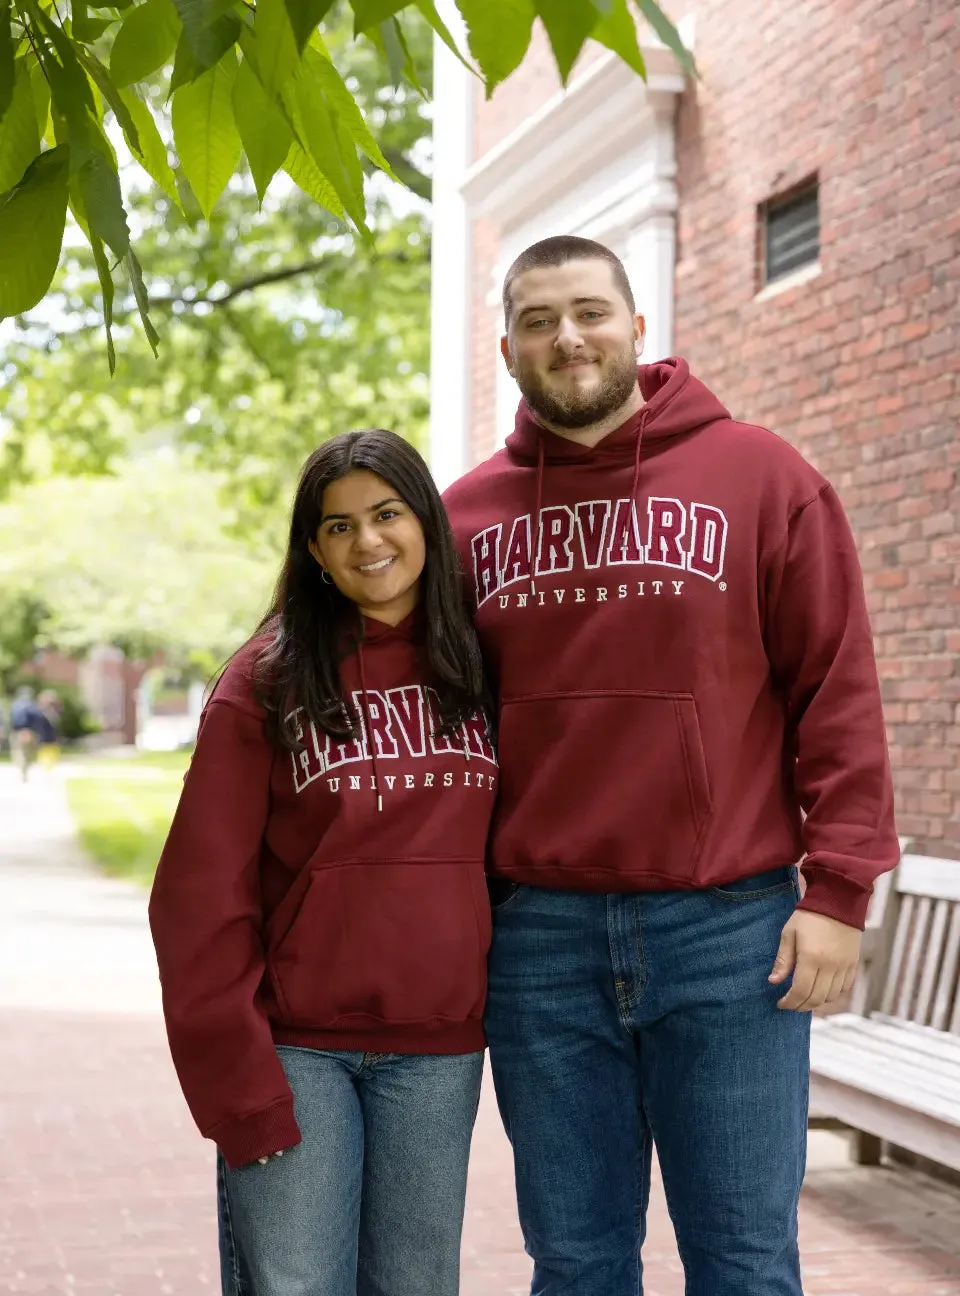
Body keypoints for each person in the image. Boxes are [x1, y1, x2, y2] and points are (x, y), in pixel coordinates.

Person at [442, 235, 899, 1296]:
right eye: (542, 320)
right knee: (577, 1262)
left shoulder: (760, 477)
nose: (570, 337)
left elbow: (838, 690)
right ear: (507, 347)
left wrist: (838, 890)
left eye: (592, 311)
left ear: (639, 329)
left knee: (742, 1262)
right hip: (539, 940)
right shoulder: (463, 519)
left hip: (729, 933)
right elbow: (433, 720)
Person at [148, 429, 497, 1296]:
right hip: (297, 1051)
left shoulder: (481, 666)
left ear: (427, 520)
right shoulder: (266, 681)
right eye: (338, 526)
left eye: (386, 514)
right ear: (313, 549)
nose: (368, 541)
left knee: (418, 1285)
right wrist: (239, 1088)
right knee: (297, 1285)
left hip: (437, 1052)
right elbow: (198, 900)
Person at [9, 685, 57, 781]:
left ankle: (22, 770)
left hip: (17, 731)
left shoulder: (14, 705)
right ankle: (24, 770)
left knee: (19, 752)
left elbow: (12, 719)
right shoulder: (31, 705)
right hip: (29, 732)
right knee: (28, 753)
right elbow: (38, 718)